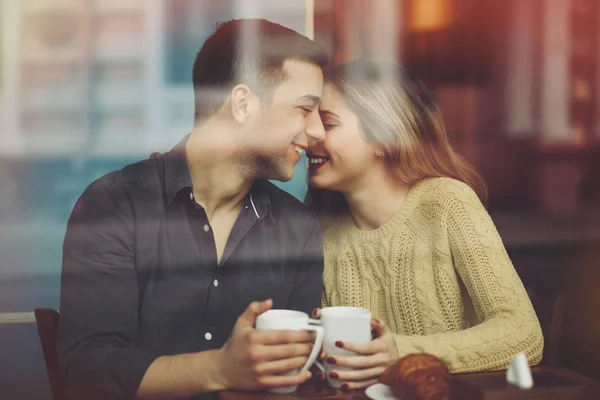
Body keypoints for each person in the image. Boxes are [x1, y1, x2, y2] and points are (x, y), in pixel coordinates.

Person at [58, 19, 328, 399]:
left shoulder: (298, 229)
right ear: (243, 104)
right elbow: (86, 374)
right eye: (305, 109)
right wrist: (219, 369)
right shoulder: (115, 205)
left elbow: (295, 375)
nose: (318, 132)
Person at [306, 60, 544, 389]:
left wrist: (403, 352)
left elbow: (523, 336)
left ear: (382, 136)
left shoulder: (447, 203)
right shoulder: (321, 234)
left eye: (327, 123)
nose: (310, 136)